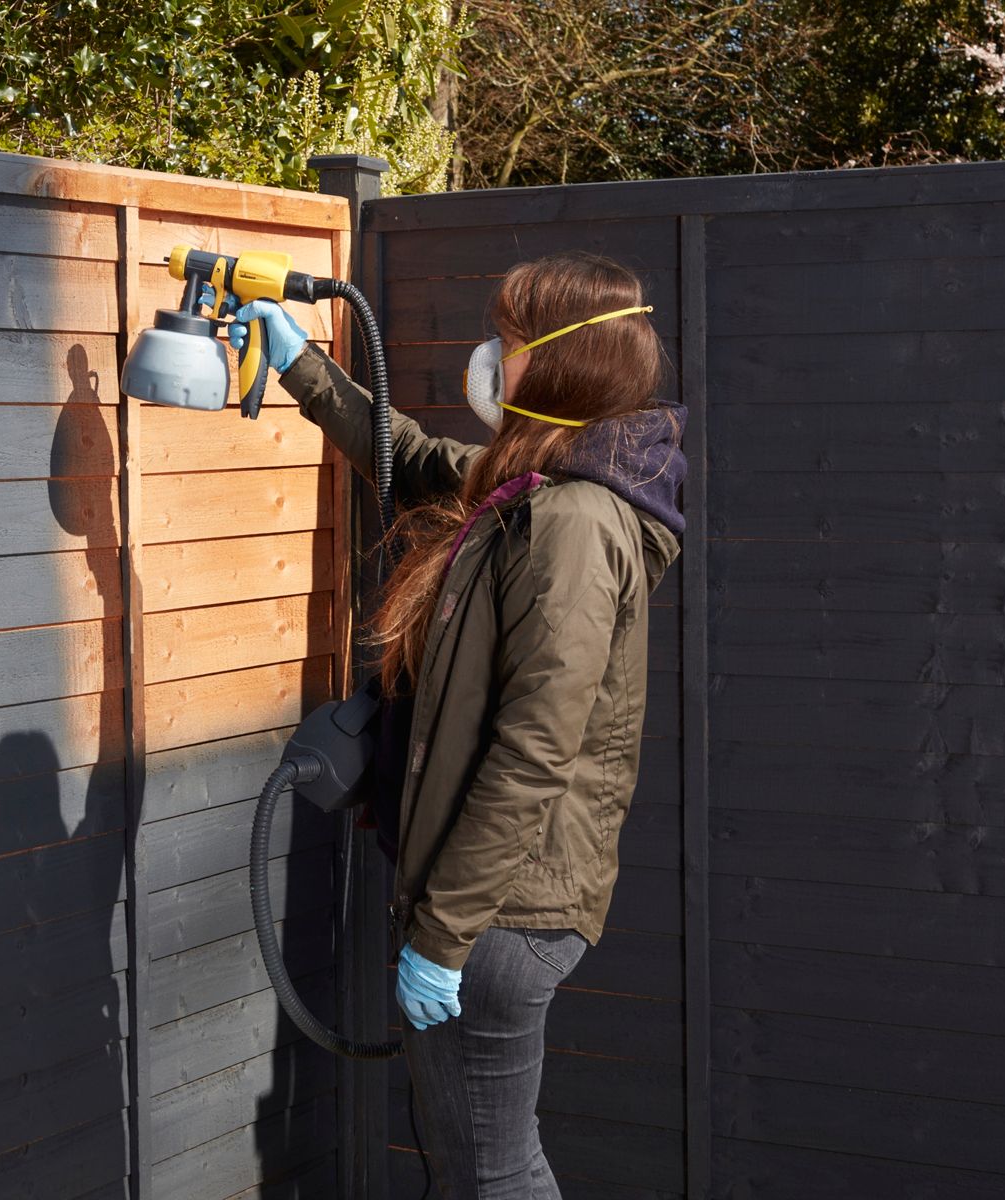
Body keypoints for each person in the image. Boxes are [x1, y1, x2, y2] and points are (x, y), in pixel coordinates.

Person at [226, 251, 686, 1198]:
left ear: (558, 364)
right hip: (490, 902)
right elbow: (419, 461)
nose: (490, 357)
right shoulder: (535, 486)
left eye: (508, 343)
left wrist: (444, 937)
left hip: (500, 916)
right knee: (478, 1167)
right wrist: (302, 368)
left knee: (488, 1175)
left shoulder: (574, 523)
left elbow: (535, 748)